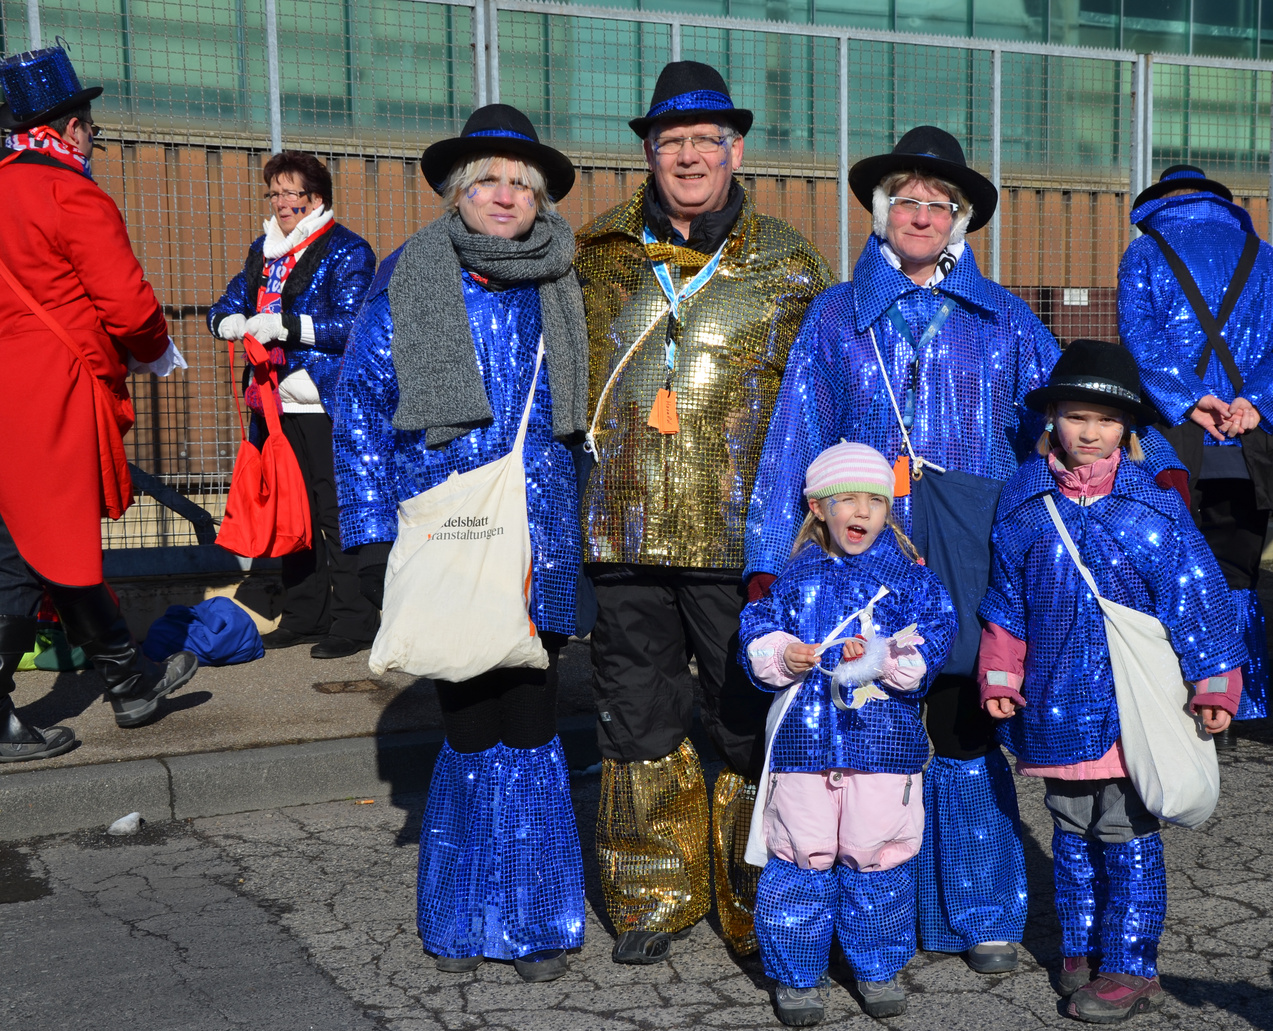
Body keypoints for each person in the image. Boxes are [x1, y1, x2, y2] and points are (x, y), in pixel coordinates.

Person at [746, 125, 1048, 974]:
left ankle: (982, 910)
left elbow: (1059, 424)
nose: (922, 214)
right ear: (880, 214)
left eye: (938, 203)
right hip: (855, 559)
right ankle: (885, 913)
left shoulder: (1006, 320)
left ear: (960, 221)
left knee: (959, 724)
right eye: (906, 199)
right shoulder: (835, 315)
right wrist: (769, 562)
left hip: (966, 544)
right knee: (872, 729)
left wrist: (1150, 470)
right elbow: (792, 438)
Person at [574, 60, 834, 965]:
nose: (688, 156)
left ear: (734, 151)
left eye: (704, 141)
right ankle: (653, 892)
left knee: (744, 716)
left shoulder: (790, 263)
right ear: (648, 153)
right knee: (637, 713)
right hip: (624, 529)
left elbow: (822, 398)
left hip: (740, 537)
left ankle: (756, 896)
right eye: (671, 142)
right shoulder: (595, 254)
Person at [331, 105, 590, 982]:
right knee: (469, 722)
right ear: (455, 193)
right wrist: (367, 534)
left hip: (540, 537)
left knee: (530, 716)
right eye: (488, 179)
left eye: (522, 182)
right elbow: (361, 406)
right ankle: (463, 909)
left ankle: (535, 919)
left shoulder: (562, 275)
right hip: (447, 528)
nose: (505, 194)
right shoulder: (410, 277)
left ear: (543, 198)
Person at [978, 340, 1245, 1023]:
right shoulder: (1023, 506)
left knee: (1125, 833)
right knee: (1069, 832)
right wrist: (1002, 676)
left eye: (1104, 419)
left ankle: (1129, 962)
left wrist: (1215, 686)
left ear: (1128, 429)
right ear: (1052, 420)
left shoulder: (1154, 513)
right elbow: (1006, 601)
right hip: (1056, 703)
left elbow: (1199, 600)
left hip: (1132, 710)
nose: (1089, 432)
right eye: (1075, 416)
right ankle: (1079, 946)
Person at [0, 44, 197, 763]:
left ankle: (129, 683)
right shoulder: (70, 192)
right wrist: (153, 346)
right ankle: (126, 682)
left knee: (24, 545)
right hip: (52, 389)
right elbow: (128, 304)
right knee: (35, 550)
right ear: (74, 128)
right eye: (90, 127)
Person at [740, 442, 956, 1026]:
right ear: (817, 507)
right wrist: (788, 654)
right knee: (800, 856)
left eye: (875, 501)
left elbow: (935, 632)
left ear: (889, 509)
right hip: (805, 746)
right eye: (847, 500)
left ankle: (877, 966)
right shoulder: (791, 578)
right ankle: (797, 973)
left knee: (877, 855)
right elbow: (756, 632)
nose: (861, 512)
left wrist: (882, 659)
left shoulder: (909, 580)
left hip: (882, 746)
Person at [1117, 164, 1273, 744]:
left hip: (1172, 438)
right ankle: (1239, 701)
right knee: (1237, 574)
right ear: (1221, 203)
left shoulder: (1146, 253)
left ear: (1160, 200)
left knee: (1163, 569)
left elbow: (1142, 340)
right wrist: (1255, 403)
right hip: (1249, 445)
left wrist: (1191, 397)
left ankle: (1171, 699)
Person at [208, 150, 377, 659]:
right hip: (272, 404)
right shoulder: (264, 250)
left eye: (291, 193)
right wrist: (225, 322)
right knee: (291, 510)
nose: (282, 202)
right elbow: (229, 300)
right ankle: (304, 615)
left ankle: (354, 621)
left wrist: (289, 325)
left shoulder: (348, 250)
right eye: (275, 193)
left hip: (321, 403)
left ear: (316, 198)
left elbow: (355, 326)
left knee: (333, 511)